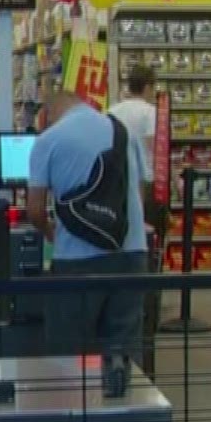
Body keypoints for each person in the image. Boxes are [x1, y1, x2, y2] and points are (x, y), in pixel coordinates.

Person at [25, 89, 147, 394]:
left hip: (77, 260)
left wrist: (53, 235)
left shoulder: (48, 141)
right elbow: (140, 191)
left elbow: (35, 210)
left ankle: (73, 412)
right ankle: (121, 408)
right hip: (132, 254)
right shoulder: (124, 131)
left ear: (48, 113)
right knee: (121, 343)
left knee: (68, 348)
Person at [109, 63, 164, 240]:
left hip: (117, 180)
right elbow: (156, 148)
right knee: (149, 233)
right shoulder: (150, 112)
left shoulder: (112, 111)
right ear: (147, 87)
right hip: (145, 183)